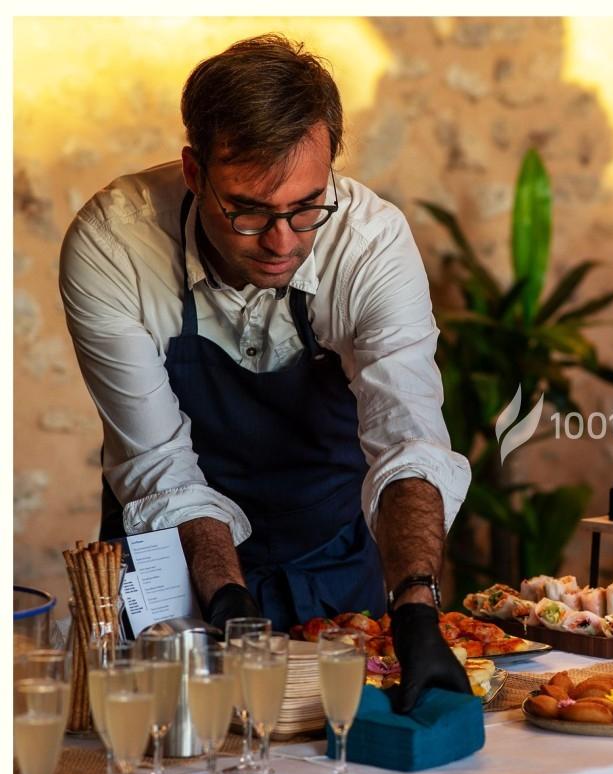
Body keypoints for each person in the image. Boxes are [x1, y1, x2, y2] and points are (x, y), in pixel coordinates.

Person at [60, 34, 470, 710]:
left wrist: (418, 611)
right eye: (248, 210)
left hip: (332, 554)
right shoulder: (115, 245)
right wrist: (226, 599)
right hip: (180, 563)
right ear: (195, 173)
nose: (282, 241)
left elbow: (410, 439)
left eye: (307, 206)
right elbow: (160, 466)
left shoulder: (370, 245)